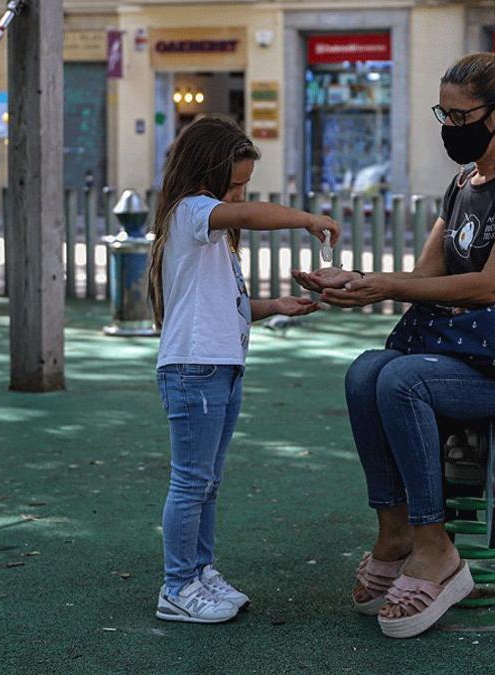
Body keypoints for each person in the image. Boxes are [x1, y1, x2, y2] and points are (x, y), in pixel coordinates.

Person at [294, 51, 495, 639]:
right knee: (366, 370)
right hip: (479, 357)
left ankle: (437, 551)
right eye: (443, 114)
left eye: (459, 117)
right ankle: (396, 530)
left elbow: (493, 284)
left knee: (404, 378)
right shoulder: (461, 186)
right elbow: (426, 280)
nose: (448, 128)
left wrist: (379, 285)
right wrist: (356, 285)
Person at [149, 116, 340, 624]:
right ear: (208, 174)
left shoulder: (212, 234)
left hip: (221, 367)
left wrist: (276, 304)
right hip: (195, 369)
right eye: (236, 184)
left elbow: (224, 304)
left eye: (245, 186)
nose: (241, 196)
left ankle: (200, 570)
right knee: (191, 482)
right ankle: (177, 586)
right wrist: (305, 218)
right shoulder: (192, 212)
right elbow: (254, 216)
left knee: (208, 482)